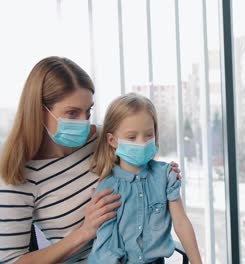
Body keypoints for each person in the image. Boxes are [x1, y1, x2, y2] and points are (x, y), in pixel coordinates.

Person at [0, 56, 180, 263]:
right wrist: (85, 231)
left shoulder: (103, 140)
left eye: (88, 111)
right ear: (40, 111)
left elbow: (143, 164)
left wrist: (167, 173)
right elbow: (13, 261)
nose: (84, 122)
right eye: (72, 113)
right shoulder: (16, 175)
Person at [87, 93, 202, 264]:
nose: (142, 142)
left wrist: (196, 261)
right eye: (132, 137)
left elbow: (181, 222)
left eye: (148, 135)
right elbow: (106, 247)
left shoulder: (166, 176)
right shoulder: (108, 188)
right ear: (112, 140)